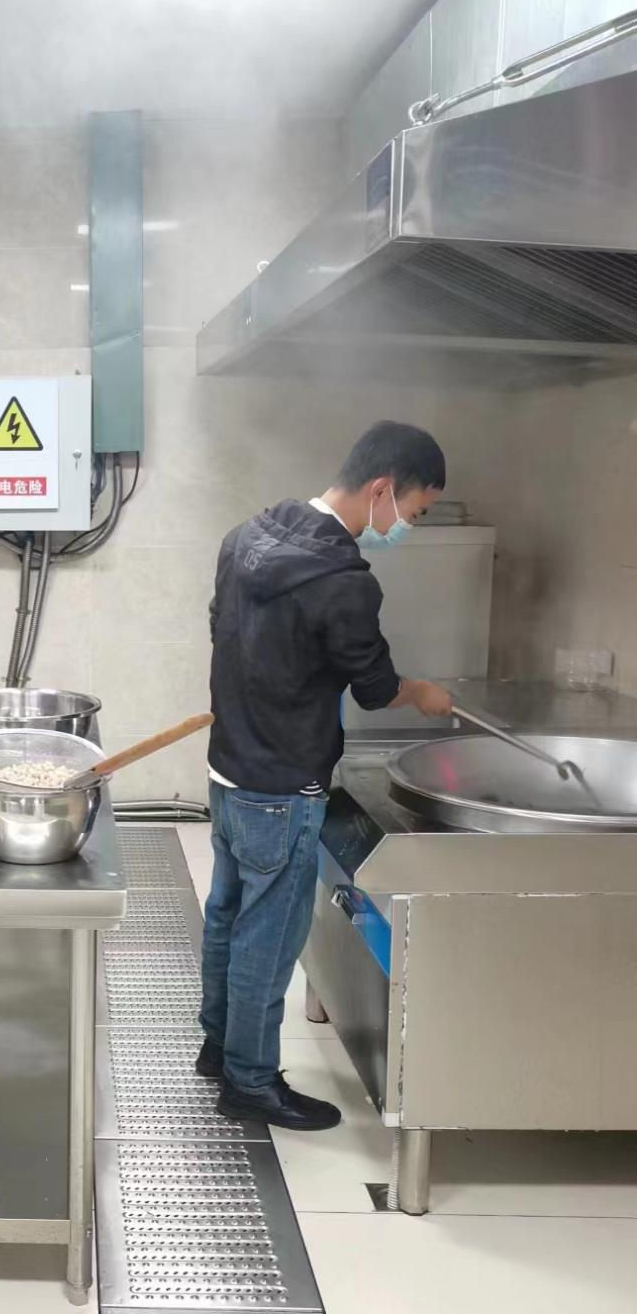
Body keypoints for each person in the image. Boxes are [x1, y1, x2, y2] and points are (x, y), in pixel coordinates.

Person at [198, 421, 454, 1131]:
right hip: (282, 788)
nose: (406, 525)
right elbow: (373, 687)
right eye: (414, 510)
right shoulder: (343, 583)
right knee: (268, 938)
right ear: (381, 489)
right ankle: (249, 1083)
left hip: (227, 767)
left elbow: (222, 627)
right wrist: (421, 691)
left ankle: (219, 1048)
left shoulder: (246, 536)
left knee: (227, 914)